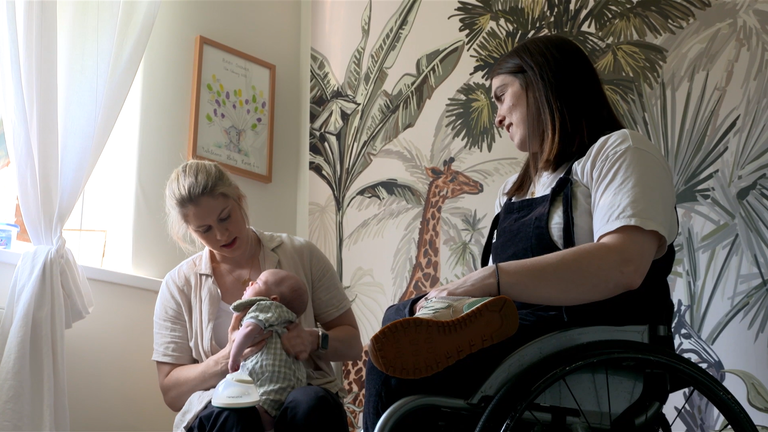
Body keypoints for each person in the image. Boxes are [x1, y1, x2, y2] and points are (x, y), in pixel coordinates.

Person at [363, 34, 678, 432]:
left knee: (396, 370)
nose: (497, 117)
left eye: (501, 96)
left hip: (588, 339)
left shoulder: (620, 152)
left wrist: (492, 279)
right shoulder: (515, 190)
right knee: (400, 319)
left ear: (542, 83)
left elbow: (624, 264)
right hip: (521, 337)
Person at [153, 159, 362, 432]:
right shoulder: (178, 285)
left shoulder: (302, 254)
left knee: (308, 404)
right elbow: (171, 391)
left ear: (239, 199)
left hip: (301, 392)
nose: (221, 233)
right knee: (234, 413)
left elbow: (352, 343)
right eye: (204, 230)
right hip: (224, 407)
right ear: (189, 231)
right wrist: (226, 359)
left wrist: (312, 339)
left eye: (225, 217)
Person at [227, 269, 309, 432]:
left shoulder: (263, 306)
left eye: (257, 283)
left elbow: (248, 330)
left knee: (257, 413)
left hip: (269, 379)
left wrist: (234, 356)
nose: (250, 283)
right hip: (295, 383)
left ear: (274, 299)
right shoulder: (288, 317)